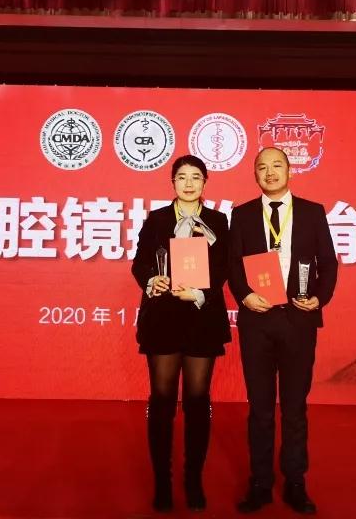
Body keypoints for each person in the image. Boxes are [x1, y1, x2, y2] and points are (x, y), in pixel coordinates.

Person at [227, 147, 338, 515]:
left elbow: (328, 263)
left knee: (294, 408)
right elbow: (233, 265)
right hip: (257, 321)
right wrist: (245, 296)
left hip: (298, 320)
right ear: (255, 174)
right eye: (262, 167)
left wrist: (319, 298)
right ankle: (260, 483)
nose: (270, 172)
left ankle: (295, 482)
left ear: (290, 171)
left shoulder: (311, 212)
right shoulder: (242, 214)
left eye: (277, 165)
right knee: (260, 409)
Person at [131, 154, 231, 512]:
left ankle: (193, 481)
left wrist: (201, 293)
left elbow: (224, 267)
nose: (189, 183)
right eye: (182, 177)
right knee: (161, 401)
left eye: (196, 177)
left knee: (197, 400)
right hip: (163, 318)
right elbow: (140, 262)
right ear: (172, 182)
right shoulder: (157, 219)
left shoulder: (217, 221)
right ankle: (162, 482)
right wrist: (151, 280)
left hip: (202, 317)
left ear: (205, 182)